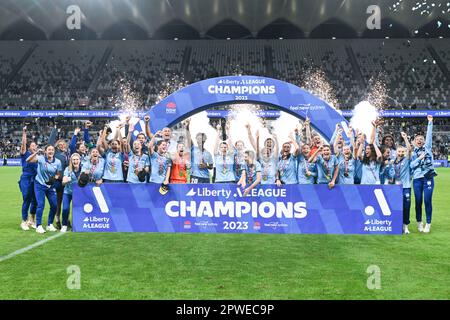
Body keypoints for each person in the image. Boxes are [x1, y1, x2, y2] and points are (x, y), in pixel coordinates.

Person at [26, 145, 62, 234]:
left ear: (54, 151)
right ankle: (39, 226)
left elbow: (58, 173)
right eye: (49, 150)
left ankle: (49, 224)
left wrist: (54, 178)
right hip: (39, 184)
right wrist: (36, 153)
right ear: (45, 151)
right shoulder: (41, 158)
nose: (51, 151)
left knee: (54, 205)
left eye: (52, 150)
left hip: (50, 186)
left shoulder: (58, 162)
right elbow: (28, 160)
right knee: (41, 204)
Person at [410, 115, 436, 233]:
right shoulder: (412, 153)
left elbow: (429, 136)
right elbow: (411, 166)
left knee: (427, 200)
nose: (419, 141)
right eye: (417, 140)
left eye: (421, 139)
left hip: (428, 177)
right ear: (414, 142)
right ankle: (419, 222)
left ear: (424, 141)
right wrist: (419, 158)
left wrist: (430, 123)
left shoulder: (428, 148)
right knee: (418, 201)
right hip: (417, 179)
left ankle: (428, 224)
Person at [393, 132, 413, 234]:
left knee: (406, 207)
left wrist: (405, 138)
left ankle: (406, 227)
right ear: (396, 152)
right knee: (395, 206)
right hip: (395, 188)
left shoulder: (407, 159)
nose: (400, 153)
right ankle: (396, 225)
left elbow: (409, 149)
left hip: (406, 187)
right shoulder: (393, 161)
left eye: (402, 151)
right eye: (399, 151)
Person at [18, 126, 38, 230]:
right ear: (29, 147)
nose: (35, 146)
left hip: (35, 179)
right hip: (26, 179)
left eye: (36, 145)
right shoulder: (25, 154)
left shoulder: (37, 156)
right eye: (33, 145)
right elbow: (23, 145)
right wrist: (24, 132)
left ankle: (32, 220)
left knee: (35, 200)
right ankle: (24, 221)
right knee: (27, 199)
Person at [185, 119, 213, 183]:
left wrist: (206, 166)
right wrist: (187, 127)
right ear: (196, 140)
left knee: (205, 193)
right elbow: (188, 137)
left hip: (206, 177)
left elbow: (211, 166)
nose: (200, 140)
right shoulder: (193, 148)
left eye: (201, 139)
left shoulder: (208, 153)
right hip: (195, 176)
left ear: (204, 140)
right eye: (198, 139)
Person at [61, 153, 82, 233]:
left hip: (79, 193)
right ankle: (64, 225)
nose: (75, 161)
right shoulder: (67, 169)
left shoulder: (83, 169)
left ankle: (78, 224)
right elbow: (63, 182)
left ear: (80, 160)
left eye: (77, 159)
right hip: (68, 192)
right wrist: (65, 180)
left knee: (78, 209)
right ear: (71, 161)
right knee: (65, 208)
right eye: (74, 159)